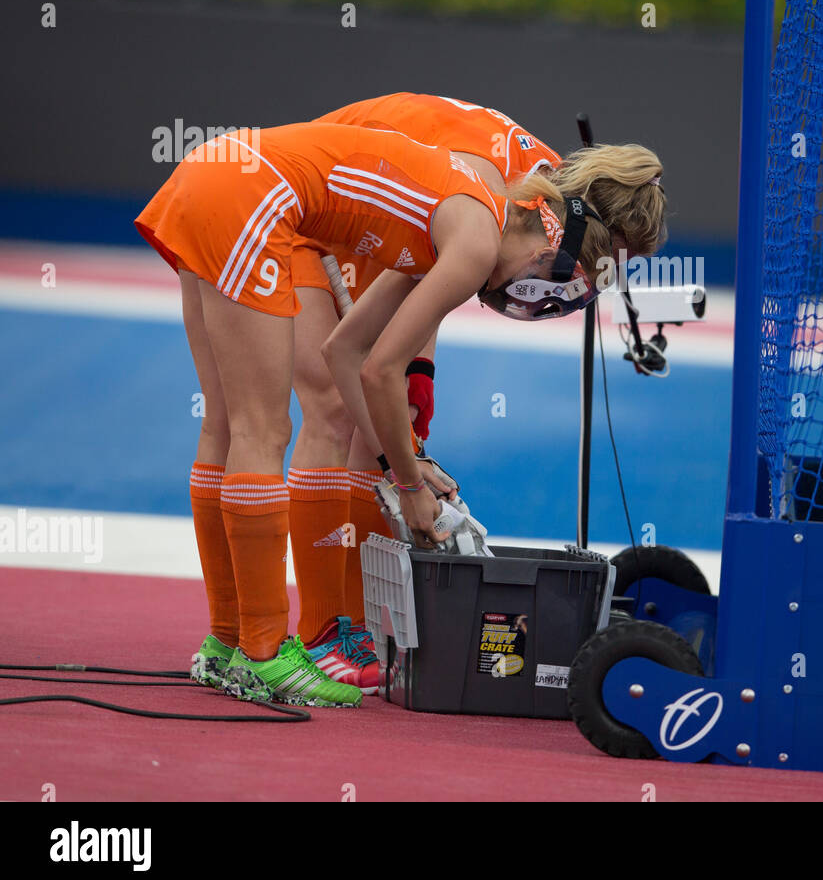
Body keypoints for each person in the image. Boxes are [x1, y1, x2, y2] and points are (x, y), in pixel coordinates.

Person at [135, 118, 665, 705]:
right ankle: (261, 657)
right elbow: (380, 371)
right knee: (264, 428)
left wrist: (403, 460)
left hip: (220, 174)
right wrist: (410, 486)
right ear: (548, 243)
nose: (524, 297)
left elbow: (345, 352)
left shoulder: (471, 213)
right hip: (252, 196)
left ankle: (227, 646)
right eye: (542, 283)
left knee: (230, 424)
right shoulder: (476, 244)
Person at [283, 94, 664, 693]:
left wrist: (418, 377)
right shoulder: (511, 197)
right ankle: (320, 630)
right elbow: (435, 254)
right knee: (332, 408)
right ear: (597, 230)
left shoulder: (544, 196)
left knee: (389, 415)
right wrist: (406, 454)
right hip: (315, 192)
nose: (600, 278)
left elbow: (427, 259)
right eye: (610, 263)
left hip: (374, 202)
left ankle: (350, 622)